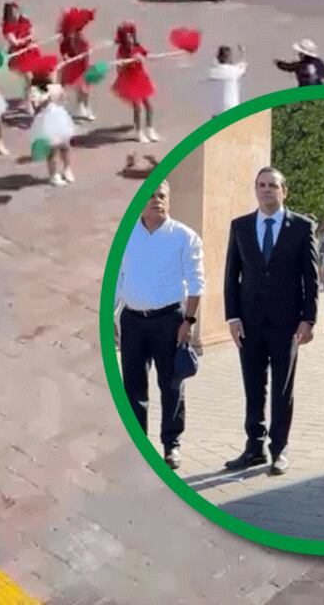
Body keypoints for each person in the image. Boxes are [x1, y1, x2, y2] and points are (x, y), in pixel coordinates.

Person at [222, 167, 320, 476]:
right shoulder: (240, 226)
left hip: (287, 323)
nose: (267, 190)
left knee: (282, 389)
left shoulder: (301, 227)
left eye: (273, 186)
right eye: (262, 185)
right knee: (253, 387)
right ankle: (254, 447)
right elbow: (231, 275)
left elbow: (311, 278)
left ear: (284, 191)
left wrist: (308, 319)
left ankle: (279, 449)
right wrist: (232, 316)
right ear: (256, 190)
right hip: (249, 322)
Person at [114, 182, 204, 469]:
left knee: (171, 385)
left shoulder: (184, 237)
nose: (156, 201)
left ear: (169, 199)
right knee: (133, 387)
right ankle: (137, 446)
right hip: (133, 320)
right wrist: (110, 317)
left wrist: (189, 320)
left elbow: (197, 282)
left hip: (170, 321)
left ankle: (171, 445)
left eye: (162, 196)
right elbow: (116, 278)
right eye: (150, 196)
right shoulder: (125, 235)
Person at [112, 23, 159, 144]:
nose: (129, 38)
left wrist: (151, 56)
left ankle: (150, 129)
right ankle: (139, 132)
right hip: (130, 81)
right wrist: (124, 63)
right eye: (127, 36)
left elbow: (146, 54)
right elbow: (119, 68)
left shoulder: (137, 47)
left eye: (131, 35)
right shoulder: (122, 51)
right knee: (137, 107)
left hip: (141, 78)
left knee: (149, 106)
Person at [206, 45, 246, 116]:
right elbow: (243, 65)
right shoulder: (234, 71)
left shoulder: (213, 71)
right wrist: (243, 52)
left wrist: (215, 56)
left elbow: (213, 64)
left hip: (217, 111)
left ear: (218, 57)